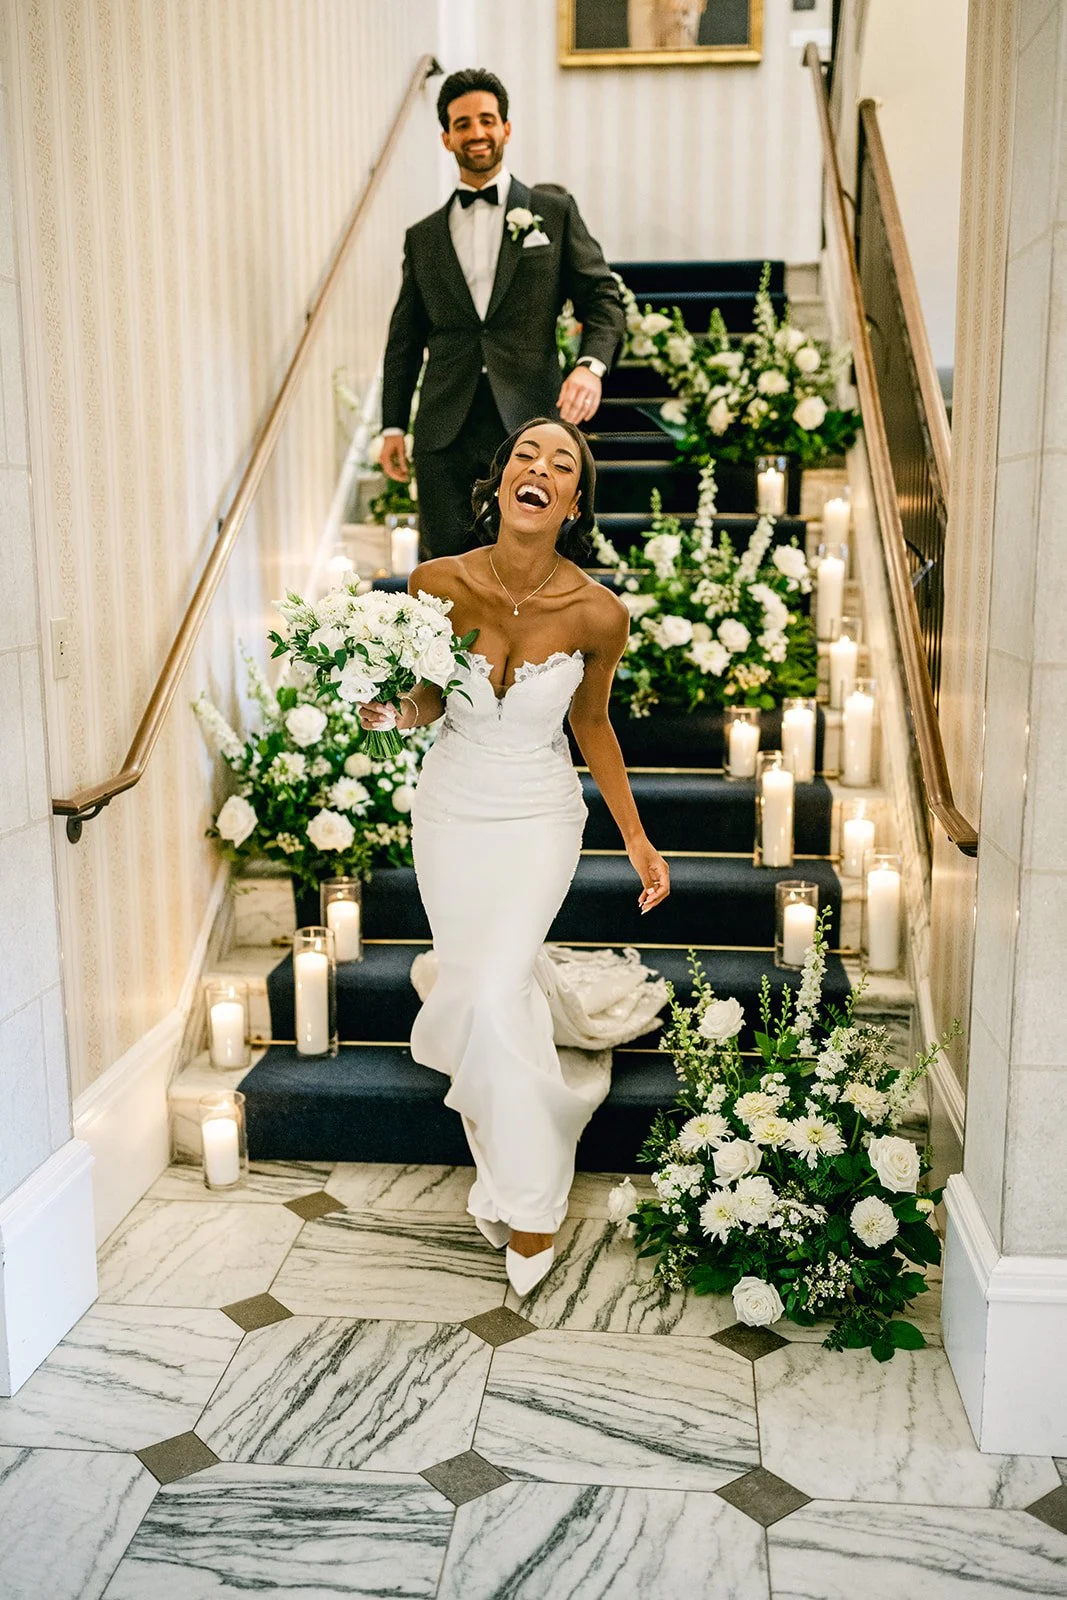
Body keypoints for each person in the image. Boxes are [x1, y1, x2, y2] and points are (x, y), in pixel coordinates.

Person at [358, 419, 670, 1295]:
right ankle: (515, 1158)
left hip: (537, 815)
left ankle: (531, 1205)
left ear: (572, 503)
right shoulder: (435, 582)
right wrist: (395, 713)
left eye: (561, 463)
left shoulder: (598, 613)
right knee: (484, 990)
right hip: (449, 810)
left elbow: (592, 723)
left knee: (493, 990)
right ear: (499, 484)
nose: (540, 468)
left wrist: (636, 838)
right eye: (526, 456)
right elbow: (428, 695)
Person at [379, 68, 624, 558]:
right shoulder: (422, 238)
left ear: (506, 129)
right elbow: (404, 338)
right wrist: (392, 426)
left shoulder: (554, 213)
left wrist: (590, 366)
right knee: (445, 573)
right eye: (462, 124)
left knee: (536, 567)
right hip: (444, 429)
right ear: (447, 138)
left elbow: (603, 298)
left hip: (532, 425)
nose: (476, 132)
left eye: (487, 120)